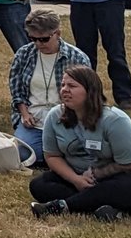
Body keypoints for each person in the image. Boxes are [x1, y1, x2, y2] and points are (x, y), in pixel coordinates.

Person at [30, 66, 131, 221]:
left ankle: (62, 206)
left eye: (72, 86)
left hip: (122, 178)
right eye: (63, 85)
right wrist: (76, 180)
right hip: (79, 177)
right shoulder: (54, 116)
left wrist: (96, 175)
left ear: (90, 91)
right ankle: (106, 207)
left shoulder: (116, 120)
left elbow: (129, 164)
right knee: (39, 184)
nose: (64, 90)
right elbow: (51, 156)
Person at [8, 10, 91, 163]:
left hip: (67, 119)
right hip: (34, 120)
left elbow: (86, 96)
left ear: (57, 33)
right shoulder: (23, 55)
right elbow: (17, 90)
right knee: (24, 154)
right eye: (33, 39)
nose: (38, 44)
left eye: (44, 39)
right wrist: (24, 114)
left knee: (80, 149)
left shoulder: (77, 58)